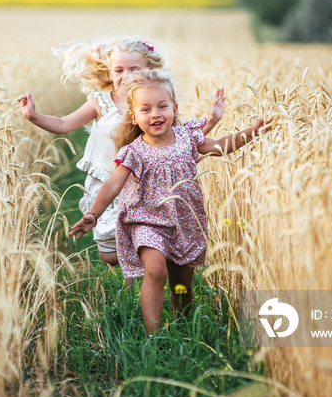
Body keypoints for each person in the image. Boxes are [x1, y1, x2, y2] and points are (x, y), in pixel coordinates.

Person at [69, 70, 272, 334]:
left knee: (182, 286)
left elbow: (221, 146)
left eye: (162, 106)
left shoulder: (187, 137)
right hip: (147, 220)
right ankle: (153, 337)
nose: (155, 114)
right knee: (155, 271)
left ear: (174, 109)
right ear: (134, 116)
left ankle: (183, 327)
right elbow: (113, 184)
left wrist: (251, 133)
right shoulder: (134, 151)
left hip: (184, 220)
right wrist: (94, 214)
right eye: (146, 109)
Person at [18, 36, 224, 266]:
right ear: (110, 72)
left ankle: (152, 259)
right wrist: (32, 116)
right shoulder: (100, 102)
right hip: (106, 182)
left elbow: (181, 138)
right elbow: (64, 124)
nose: (125, 76)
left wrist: (212, 121)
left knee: (147, 240)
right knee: (109, 256)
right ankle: (144, 255)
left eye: (134, 70)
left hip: (142, 184)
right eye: (118, 70)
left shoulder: (155, 104)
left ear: (149, 71)